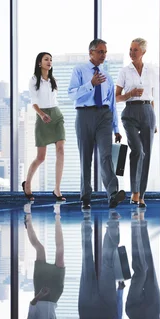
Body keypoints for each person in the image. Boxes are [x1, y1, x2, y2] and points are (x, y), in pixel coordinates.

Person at [68, 39, 125, 210]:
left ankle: (113, 194)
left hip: (104, 117)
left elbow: (112, 103)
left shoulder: (107, 76)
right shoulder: (79, 70)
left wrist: (116, 127)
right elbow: (71, 94)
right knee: (86, 157)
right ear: (91, 52)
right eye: (100, 52)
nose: (103, 55)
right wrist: (90, 85)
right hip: (84, 115)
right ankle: (86, 197)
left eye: (105, 52)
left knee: (106, 156)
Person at [71, 208, 127, 319]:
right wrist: (120, 293)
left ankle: (86, 219)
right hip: (108, 309)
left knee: (87, 261)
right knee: (108, 263)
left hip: (87, 310)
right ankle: (113, 222)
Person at [115, 38, 157, 208]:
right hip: (130, 112)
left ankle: (141, 195)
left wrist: (154, 119)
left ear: (143, 52)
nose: (131, 53)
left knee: (147, 154)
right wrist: (130, 93)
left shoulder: (151, 71)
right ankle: (134, 191)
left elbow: (152, 96)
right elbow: (116, 97)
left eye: (135, 50)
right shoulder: (124, 71)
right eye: (130, 49)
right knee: (137, 151)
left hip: (148, 112)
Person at [122, 209, 160, 319]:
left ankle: (135, 224)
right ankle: (142, 222)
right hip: (153, 312)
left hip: (135, 313)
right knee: (150, 266)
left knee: (141, 270)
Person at [22, 52, 66, 201]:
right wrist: (42, 114)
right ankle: (27, 184)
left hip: (56, 115)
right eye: (46, 59)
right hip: (42, 116)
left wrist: (52, 114)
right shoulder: (34, 80)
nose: (49, 62)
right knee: (41, 157)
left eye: (51, 59)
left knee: (61, 150)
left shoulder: (54, 80)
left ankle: (57, 189)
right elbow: (34, 102)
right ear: (39, 63)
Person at [24, 202, 65, 319]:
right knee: (60, 251)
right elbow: (53, 309)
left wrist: (40, 294)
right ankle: (57, 214)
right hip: (55, 294)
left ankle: (27, 218)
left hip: (41, 291)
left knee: (40, 249)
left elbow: (32, 306)